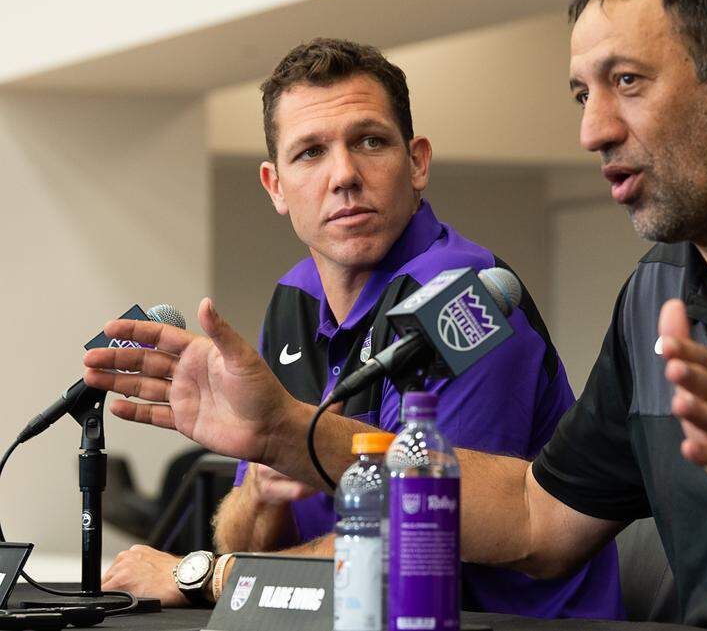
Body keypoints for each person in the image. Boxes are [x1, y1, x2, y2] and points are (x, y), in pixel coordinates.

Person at [83, 0, 707, 629]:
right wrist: (294, 433)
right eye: (580, 93)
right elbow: (534, 514)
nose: (591, 128)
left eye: (625, 82)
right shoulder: (660, 289)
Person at [96, 38, 623, 620]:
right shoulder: (294, 296)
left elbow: (417, 556)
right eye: (311, 153)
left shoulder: (464, 298)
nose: (344, 175)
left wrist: (200, 576)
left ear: (417, 161)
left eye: (369, 141)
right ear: (275, 186)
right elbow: (249, 538)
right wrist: (260, 496)